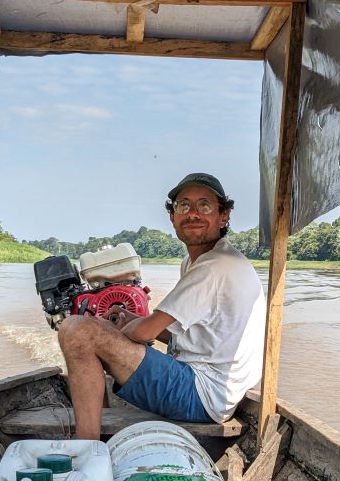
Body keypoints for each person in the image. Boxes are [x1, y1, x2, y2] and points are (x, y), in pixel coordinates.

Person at [57, 173, 267, 440]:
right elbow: (192, 336)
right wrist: (130, 321)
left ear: (223, 216)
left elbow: (143, 334)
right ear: (173, 216)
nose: (193, 214)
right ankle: (101, 426)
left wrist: (119, 330)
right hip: (208, 387)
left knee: (77, 330)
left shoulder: (215, 266)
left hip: (201, 395)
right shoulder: (200, 261)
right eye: (183, 205)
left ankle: (86, 445)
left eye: (204, 206)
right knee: (94, 332)